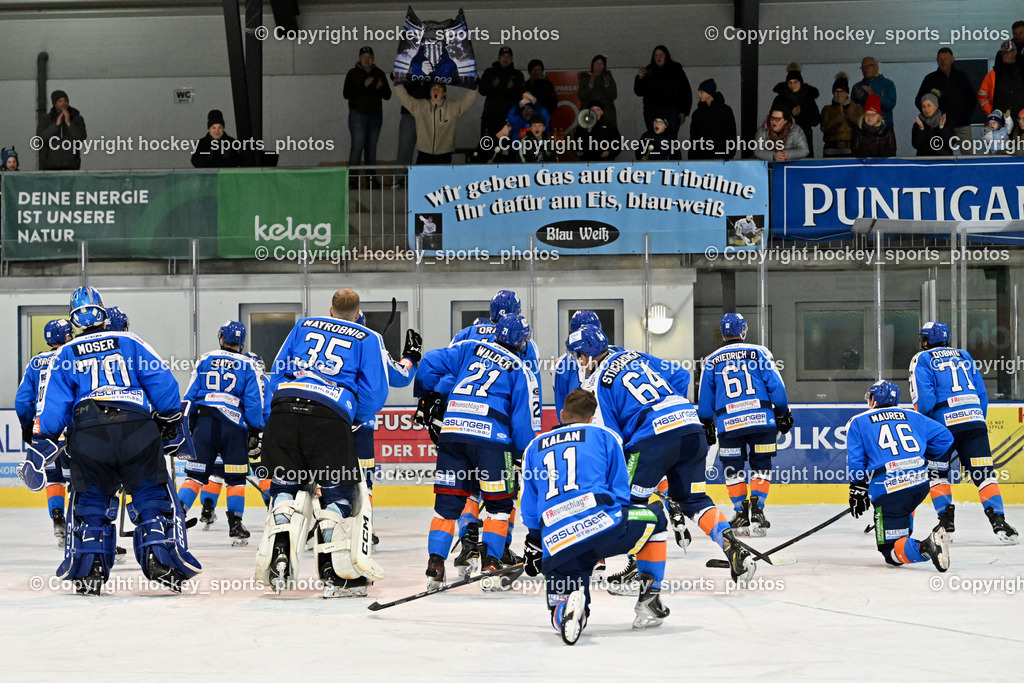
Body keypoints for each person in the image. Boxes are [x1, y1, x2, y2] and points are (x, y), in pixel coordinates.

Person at [23, 286, 199, 595]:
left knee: (90, 501)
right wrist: (170, 419)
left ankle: (90, 568)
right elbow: (164, 384)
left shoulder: (65, 353)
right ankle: (161, 558)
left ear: (74, 319)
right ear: (103, 312)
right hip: (136, 427)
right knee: (150, 495)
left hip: (89, 431)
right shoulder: (129, 340)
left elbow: (52, 411)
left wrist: (43, 441)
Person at [568, 324, 755, 581]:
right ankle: (732, 547)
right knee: (694, 501)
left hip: (652, 440)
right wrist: (664, 409)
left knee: (631, 503)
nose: (577, 362)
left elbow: (611, 437)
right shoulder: (635, 355)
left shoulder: (599, 383)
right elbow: (680, 376)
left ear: (586, 356)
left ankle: (638, 567)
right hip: (690, 427)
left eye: (577, 356)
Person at [254, 290, 394, 597]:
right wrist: (351, 414)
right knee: (339, 495)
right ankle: (337, 575)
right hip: (328, 417)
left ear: (330, 310)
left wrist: (272, 412)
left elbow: (276, 370)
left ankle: (279, 557)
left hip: (285, 410)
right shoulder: (369, 337)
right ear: (358, 313)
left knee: (285, 487)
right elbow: (376, 392)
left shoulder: (304, 324)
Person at [521, 388, 671, 645]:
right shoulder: (604, 435)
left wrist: (536, 543)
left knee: (562, 606)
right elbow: (621, 494)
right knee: (657, 517)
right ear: (591, 418)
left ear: (561, 414)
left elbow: (530, 507)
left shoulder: (534, 447)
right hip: (604, 528)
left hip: (558, 543)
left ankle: (570, 609)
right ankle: (649, 599)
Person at [419, 290, 541, 576]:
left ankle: (435, 565)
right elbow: (524, 420)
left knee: (448, 505)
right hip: (491, 441)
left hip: (452, 434)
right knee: (500, 505)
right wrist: (523, 453)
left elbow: (429, 363)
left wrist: (427, 396)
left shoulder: (468, 344)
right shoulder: (521, 366)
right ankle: (491, 562)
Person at [909, 321, 1019, 544]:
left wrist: (928, 428)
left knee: (937, 474)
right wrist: (974, 423)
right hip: (974, 421)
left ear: (927, 340)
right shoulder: (964, 355)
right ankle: (999, 522)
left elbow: (924, 399)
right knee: (983, 474)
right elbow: (981, 394)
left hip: (942, 426)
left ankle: (946, 522)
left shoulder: (922, 358)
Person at [697, 313, 792, 536]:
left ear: (722, 333)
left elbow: (705, 401)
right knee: (761, 464)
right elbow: (776, 387)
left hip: (729, 424)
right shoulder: (760, 352)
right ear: (743, 330)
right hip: (761, 421)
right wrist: (782, 411)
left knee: (733, 469)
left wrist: (707, 422)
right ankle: (758, 511)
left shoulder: (711, 360)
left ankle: (740, 512)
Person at [847, 380, 954, 571]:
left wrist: (858, 487)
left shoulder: (858, 421)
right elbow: (945, 436)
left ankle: (926, 546)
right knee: (900, 519)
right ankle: (905, 541)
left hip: (888, 488)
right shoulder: (914, 416)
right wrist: (925, 455)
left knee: (889, 551)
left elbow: (856, 461)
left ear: (873, 399)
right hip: (920, 484)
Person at [177, 321, 265, 546]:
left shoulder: (205, 358)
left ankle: (175, 520)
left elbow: (190, 395)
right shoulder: (248, 364)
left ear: (222, 338)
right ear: (241, 342)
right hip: (234, 428)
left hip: (205, 424)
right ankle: (235, 525)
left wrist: (189, 423)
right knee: (235, 479)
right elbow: (254, 402)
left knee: (194, 477)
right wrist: (255, 428)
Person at [350, 312, 422, 548]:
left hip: (324, 420)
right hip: (361, 425)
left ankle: (321, 527)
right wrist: (411, 357)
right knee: (364, 481)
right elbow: (401, 376)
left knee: (326, 477)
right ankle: (364, 528)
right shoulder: (372, 346)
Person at [15, 318, 74, 545]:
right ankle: (85, 532)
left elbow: (23, 400)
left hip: (43, 430)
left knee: (53, 477)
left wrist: (27, 426)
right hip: (70, 428)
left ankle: (58, 521)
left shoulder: (35, 362)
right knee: (78, 480)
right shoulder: (72, 357)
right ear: (68, 335)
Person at [394, 82, 478, 165]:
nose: (436, 90)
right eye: (433, 88)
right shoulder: (420, 106)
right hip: (424, 154)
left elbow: (467, 101)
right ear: (430, 92)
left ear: (444, 93)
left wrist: (474, 88)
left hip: (445, 155)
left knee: (442, 178)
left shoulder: (452, 107)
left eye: (439, 88)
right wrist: (397, 83)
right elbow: (404, 98)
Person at [344, 46, 391, 188]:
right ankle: (353, 181)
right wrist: (363, 85)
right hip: (358, 115)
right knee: (357, 147)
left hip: (375, 116)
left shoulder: (380, 73)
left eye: (369, 57)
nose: (366, 60)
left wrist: (380, 88)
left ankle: (371, 181)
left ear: (373, 58)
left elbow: (387, 95)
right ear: (359, 58)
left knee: (371, 148)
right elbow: (346, 94)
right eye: (364, 57)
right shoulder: (352, 73)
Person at [916, 48, 976, 148]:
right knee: (944, 156)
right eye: (940, 59)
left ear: (952, 59)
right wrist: (932, 118)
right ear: (937, 61)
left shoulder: (962, 77)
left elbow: (972, 98)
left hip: (963, 125)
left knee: (969, 157)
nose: (943, 62)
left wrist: (966, 115)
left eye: (946, 59)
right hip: (941, 127)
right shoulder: (930, 79)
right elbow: (919, 100)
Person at [633, 45, 692, 139]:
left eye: (661, 54)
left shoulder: (676, 69)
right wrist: (639, 78)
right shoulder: (648, 70)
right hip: (652, 112)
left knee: (671, 141)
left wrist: (684, 111)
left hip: (671, 112)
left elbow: (685, 91)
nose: (658, 57)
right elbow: (639, 92)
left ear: (666, 56)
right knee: (654, 139)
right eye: (656, 55)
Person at [772, 64, 821, 157]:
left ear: (800, 83)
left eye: (795, 82)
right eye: (790, 82)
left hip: (804, 140)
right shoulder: (780, 99)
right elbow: (772, 120)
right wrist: (790, 114)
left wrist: (801, 115)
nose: (793, 85)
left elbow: (816, 120)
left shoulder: (808, 98)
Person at [479, 46, 525, 136]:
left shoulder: (517, 74)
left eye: (508, 56)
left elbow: (522, 95)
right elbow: (482, 90)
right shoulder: (490, 72)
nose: (505, 59)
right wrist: (492, 85)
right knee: (487, 146)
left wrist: (513, 87)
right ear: (499, 58)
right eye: (503, 56)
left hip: (510, 118)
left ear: (511, 59)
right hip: (490, 117)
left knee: (510, 146)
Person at [37, 90, 87, 170]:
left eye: (65, 100)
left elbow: (81, 137)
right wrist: (56, 125)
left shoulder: (77, 118)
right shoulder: (45, 119)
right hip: (49, 165)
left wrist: (68, 123)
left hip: (71, 165)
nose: (63, 103)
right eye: (60, 101)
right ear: (55, 103)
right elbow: (40, 139)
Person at [687, 79, 736, 160]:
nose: (699, 95)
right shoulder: (697, 113)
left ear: (709, 92)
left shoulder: (725, 111)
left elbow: (731, 134)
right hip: (701, 157)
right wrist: (692, 157)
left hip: (720, 156)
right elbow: (693, 138)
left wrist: (728, 155)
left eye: (702, 92)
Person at [978, 41, 1024, 120]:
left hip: (1021, 122)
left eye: (1007, 52)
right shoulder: (993, 75)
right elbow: (982, 95)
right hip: (1000, 123)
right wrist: (992, 114)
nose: (1005, 55)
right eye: (1003, 53)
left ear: (1015, 52)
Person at [820, 73, 862, 156]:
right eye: (836, 91)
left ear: (847, 93)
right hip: (831, 149)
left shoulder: (856, 108)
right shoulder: (827, 109)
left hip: (851, 149)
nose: (839, 94)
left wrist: (850, 118)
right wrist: (837, 121)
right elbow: (824, 128)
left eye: (842, 91)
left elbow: (861, 127)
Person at [852, 57, 897, 127]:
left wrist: (873, 95)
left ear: (876, 67)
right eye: (863, 67)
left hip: (884, 127)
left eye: (869, 66)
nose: (865, 69)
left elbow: (890, 104)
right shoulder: (857, 87)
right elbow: (853, 110)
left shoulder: (887, 84)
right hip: (863, 127)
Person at [577, 55, 618, 128]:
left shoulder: (608, 77)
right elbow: (581, 96)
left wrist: (607, 85)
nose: (598, 65)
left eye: (601, 63)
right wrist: (591, 83)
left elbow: (613, 96)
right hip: (588, 114)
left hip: (606, 115)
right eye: (596, 63)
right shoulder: (585, 78)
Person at [912, 92, 953, 156]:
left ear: (936, 106)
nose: (926, 109)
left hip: (943, 160)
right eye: (923, 106)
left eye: (929, 105)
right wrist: (921, 129)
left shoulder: (945, 121)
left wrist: (942, 127)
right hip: (924, 160)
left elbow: (951, 143)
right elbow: (916, 145)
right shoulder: (918, 123)